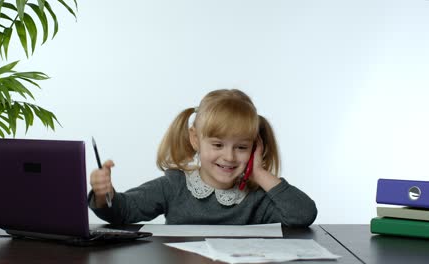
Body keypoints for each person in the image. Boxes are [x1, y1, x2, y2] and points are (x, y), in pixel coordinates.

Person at [89, 89, 317, 226]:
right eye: (218, 144)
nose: (228, 156)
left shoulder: (256, 197)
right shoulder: (174, 185)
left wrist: (259, 173)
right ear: (196, 139)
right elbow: (124, 212)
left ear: (255, 148)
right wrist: (104, 195)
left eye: (241, 147)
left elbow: (303, 215)